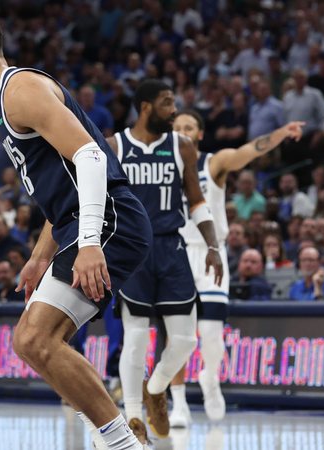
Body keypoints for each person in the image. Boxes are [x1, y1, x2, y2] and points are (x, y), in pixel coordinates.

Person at [0, 9, 151, 450]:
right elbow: (62, 194)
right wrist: (39, 257)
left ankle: (124, 444)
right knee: (40, 343)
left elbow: (91, 158)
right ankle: (113, 438)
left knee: (34, 338)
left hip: (109, 220)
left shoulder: (20, 89)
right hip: (83, 222)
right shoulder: (7, 100)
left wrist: (90, 242)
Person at [169, 110, 303, 426]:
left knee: (212, 335)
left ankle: (210, 378)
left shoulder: (213, 163)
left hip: (210, 253)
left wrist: (280, 134)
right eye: (177, 128)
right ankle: (178, 405)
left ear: (200, 133)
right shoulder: (161, 169)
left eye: (189, 127)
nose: (183, 132)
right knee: (177, 336)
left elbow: (247, 152)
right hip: (174, 253)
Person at [109, 80, 223, 442]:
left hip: (171, 247)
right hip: (132, 249)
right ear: (145, 107)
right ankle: (132, 417)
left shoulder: (182, 146)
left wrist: (213, 246)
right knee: (137, 335)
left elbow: (196, 200)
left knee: (186, 339)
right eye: (166, 103)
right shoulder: (115, 145)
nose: (174, 110)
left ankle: (156, 388)